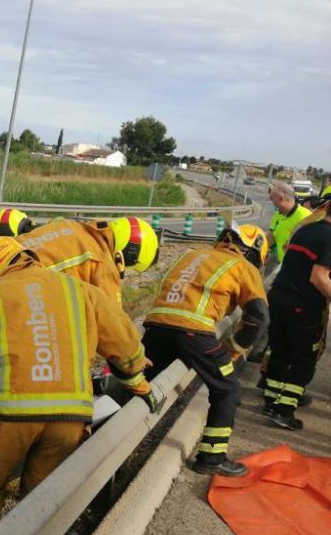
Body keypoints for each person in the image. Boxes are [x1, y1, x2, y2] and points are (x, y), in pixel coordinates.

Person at [0, 237, 160, 535]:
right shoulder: (80, 290)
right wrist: (140, 385)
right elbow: (124, 342)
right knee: (42, 501)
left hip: (11, 417)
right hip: (70, 419)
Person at [141, 224, 269, 476]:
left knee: (143, 382)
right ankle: (212, 458)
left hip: (156, 326)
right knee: (227, 388)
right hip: (194, 333)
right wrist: (232, 350)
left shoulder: (193, 254)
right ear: (253, 251)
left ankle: (112, 433)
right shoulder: (243, 267)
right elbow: (259, 318)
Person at [262, 193, 331, 431]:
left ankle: (271, 401)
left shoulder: (306, 229)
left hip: (278, 296)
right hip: (303, 304)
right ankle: (284, 410)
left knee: (280, 351)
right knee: (304, 359)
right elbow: (319, 276)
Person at [13, 216, 160, 305]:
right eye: (130, 267)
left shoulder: (72, 226)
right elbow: (113, 325)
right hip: (13, 292)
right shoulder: (102, 261)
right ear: (129, 254)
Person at [268, 183, 311, 263]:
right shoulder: (278, 214)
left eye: (272, 198)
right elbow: (271, 237)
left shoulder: (305, 217)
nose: (270, 200)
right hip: (281, 263)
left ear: (281, 198)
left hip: (295, 268)